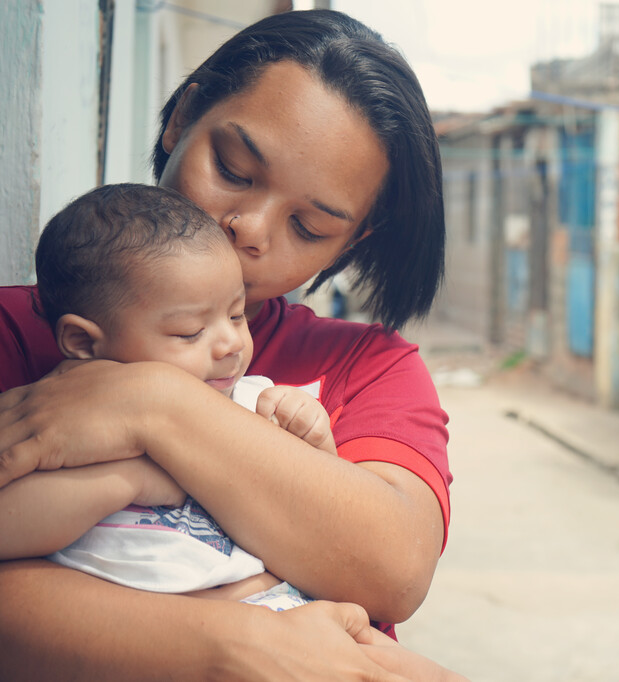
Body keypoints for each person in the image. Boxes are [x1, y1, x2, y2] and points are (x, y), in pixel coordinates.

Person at [0, 9, 462, 681]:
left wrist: (153, 404)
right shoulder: (18, 330)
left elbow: (390, 570)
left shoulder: (363, 367)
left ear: (350, 243)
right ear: (182, 117)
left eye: (308, 226)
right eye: (235, 169)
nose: (249, 228)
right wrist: (228, 646)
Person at [0, 184, 335, 611]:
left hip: (274, 610)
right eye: (190, 332)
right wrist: (138, 477)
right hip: (142, 641)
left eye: (236, 313)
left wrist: (317, 438)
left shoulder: (257, 403)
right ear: (83, 342)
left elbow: (319, 515)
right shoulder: (63, 422)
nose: (231, 343)